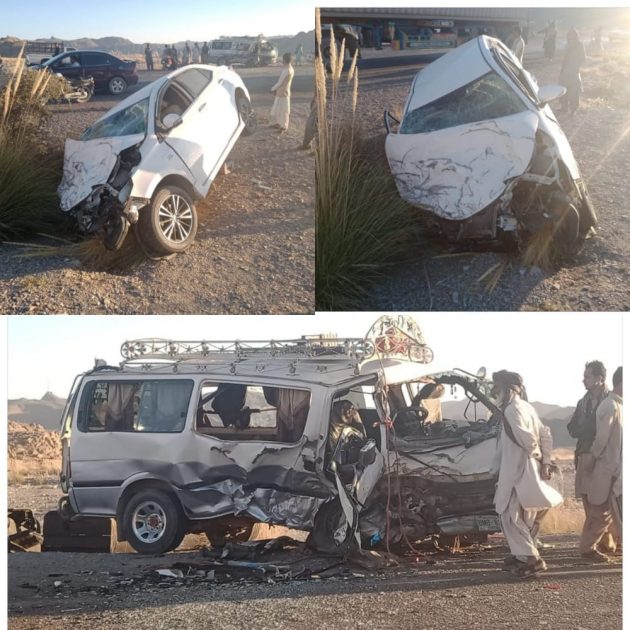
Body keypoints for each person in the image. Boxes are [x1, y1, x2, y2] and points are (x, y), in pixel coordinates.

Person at [492, 370, 561, 578]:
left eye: (497, 387)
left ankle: (532, 559)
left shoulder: (511, 410)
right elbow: (545, 434)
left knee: (509, 516)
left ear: (509, 389)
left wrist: (537, 457)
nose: (494, 391)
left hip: (517, 471)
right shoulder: (527, 407)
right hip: (527, 470)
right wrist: (544, 462)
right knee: (525, 516)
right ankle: (521, 555)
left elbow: (529, 440)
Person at [567, 360, 618, 555]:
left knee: (606, 502)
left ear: (600, 379)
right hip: (584, 454)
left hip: (605, 457)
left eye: (587, 376)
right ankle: (604, 542)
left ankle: (606, 541)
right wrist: (588, 429)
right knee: (589, 501)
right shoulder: (583, 402)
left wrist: (588, 429)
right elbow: (572, 428)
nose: (583, 380)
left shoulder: (610, 401)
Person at [578, 366, 623, 561]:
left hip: (615, 469)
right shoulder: (610, 406)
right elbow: (601, 440)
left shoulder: (618, 405)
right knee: (600, 512)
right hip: (608, 469)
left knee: (606, 513)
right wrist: (592, 460)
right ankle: (587, 549)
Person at [559, 27, 586, 114]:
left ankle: (573, 109)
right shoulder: (567, 45)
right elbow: (564, 57)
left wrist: (577, 66)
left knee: (574, 92)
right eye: (569, 35)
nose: (570, 37)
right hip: (565, 71)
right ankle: (564, 107)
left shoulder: (580, 45)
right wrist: (563, 67)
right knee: (563, 89)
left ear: (576, 36)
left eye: (572, 35)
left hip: (574, 71)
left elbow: (583, 58)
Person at [270, 52, 295, 132]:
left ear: (284, 60)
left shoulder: (286, 70)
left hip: (283, 93)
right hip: (284, 92)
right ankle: (279, 123)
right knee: (279, 109)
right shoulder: (291, 69)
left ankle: (284, 126)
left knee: (283, 110)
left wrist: (272, 89)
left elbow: (280, 83)